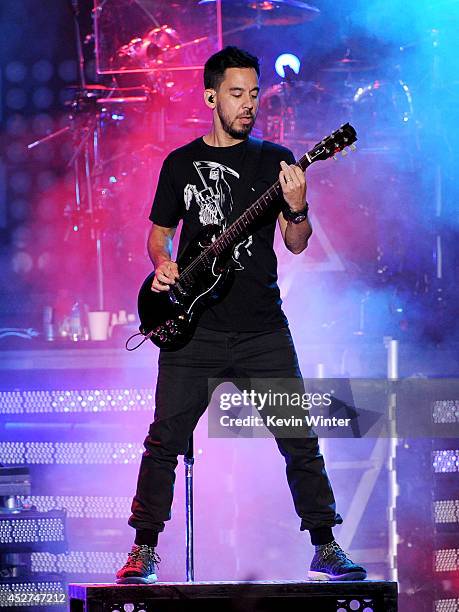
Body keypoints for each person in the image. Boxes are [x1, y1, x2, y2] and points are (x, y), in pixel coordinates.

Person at [116, 46, 367, 584]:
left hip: (261, 331)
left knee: (299, 439)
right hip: (194, 331)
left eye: (254, 93)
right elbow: (158, 233)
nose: (248, 103)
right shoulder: (180, 164)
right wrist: (162, 263)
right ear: (211, 97)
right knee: (163, 441)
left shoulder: (275, 161)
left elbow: (296, 244)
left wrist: (298, 205)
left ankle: (324, 545)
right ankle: (143, 550)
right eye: (236, 93)